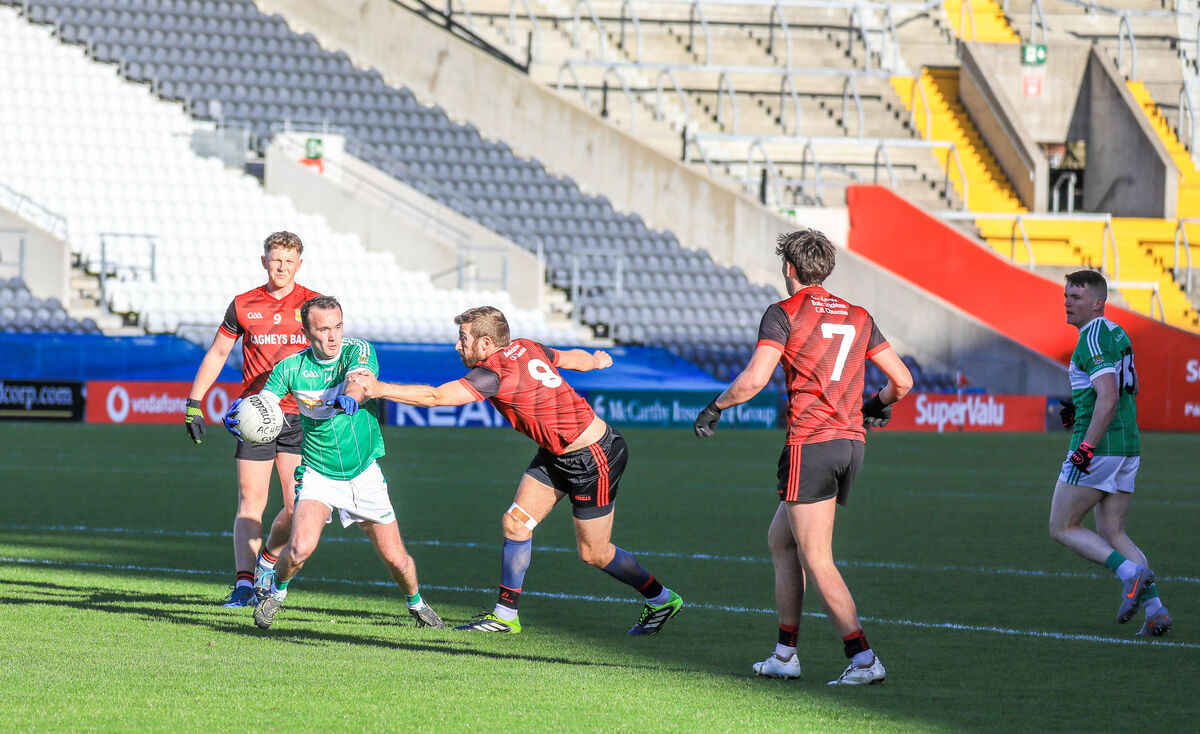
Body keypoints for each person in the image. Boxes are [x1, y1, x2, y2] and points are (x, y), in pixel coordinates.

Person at [349, 306, 682, 636]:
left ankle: (661, 598)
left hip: (594, 457)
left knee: (594, 553)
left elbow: (436, 396)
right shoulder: (528, 346)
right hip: (558, 453)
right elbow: (572, 359)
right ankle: (506, 616)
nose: (457, 346)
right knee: (515, 524)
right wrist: (595, 360)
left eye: (462, 339)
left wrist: (378, 389)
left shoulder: (492, 373)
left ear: (484, 344)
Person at [694, 229, 912, 685]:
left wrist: (716, 406)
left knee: (817, 557)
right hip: (850, 443)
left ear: (789, 268)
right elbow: (902, 382)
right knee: (782, 540)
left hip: (811, 444)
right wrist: (874, 406)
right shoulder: (858, 315)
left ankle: (864, 659)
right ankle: (784, 654)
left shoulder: (784, 313)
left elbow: (754, 380)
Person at [224, 295, 444, 631]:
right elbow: (264, 404)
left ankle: (416, 604)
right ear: (306, 330)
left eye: (338, 326)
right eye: (324, 329)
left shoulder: (357, 349)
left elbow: (359, 380)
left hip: (364, 473)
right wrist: (243, 417)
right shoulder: (290, 368)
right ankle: (275, 594)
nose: (333, 336)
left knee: (396, 559)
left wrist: (351, 397)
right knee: (299, 548)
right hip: (318, 472)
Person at [184, 231, 322, 608]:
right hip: (256, 417)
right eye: (276, 259)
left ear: (299, 264)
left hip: (302, 417)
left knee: (298, 508)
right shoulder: (244, 304)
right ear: (264, 260)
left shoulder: (313, 304)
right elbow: (217, 353)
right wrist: (194, 403)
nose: (282, 267)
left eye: (289, 261)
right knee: (250, 502)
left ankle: (268, 561)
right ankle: (244, 585)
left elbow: (331, 355)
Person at [1049, 270, 1170, 636]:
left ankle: (1130, 575)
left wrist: (1085, 446)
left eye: (1076, 297)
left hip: (1100, 447)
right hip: (1127, 445)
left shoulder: (1092, 339)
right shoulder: (1116, 332)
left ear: (1098, 302)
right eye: (1067, 295)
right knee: (1113, 530)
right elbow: (1123, 385)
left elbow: (1110, 394)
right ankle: (1156, 609)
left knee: (1062, 526)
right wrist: (1079, 403)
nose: (1068, 302)